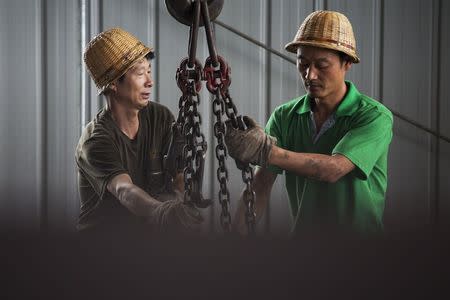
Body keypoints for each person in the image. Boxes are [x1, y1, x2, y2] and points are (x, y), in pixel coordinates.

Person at [225, 11, 393, 235]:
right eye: (302, 63)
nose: (310, 75)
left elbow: (334, 169)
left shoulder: (374, 116)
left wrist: (265, 150)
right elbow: (260, 187)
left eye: (322, 65)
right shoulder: (285, 117)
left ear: (347, 63)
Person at [76, 27, 203, 234]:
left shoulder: (160, 118)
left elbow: (178, 174)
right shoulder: (95, 141)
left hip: (147, 243)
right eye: (139, 73)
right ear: (113, 84)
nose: (149, 82)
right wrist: (163, 212)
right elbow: (124, 190)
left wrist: (180, 205)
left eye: (149, 71)